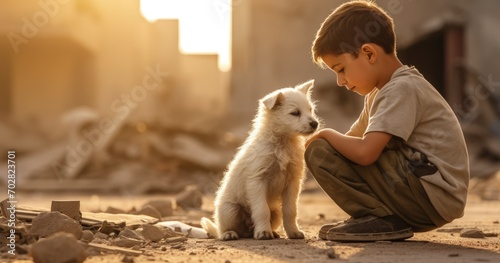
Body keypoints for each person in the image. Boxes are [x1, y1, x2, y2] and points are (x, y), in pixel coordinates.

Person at [305, 0, 469, 242]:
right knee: (324, 151)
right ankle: (380, 217)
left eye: (340, 69)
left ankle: (380, 218)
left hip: (432, 193)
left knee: (320, 149)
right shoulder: (379, 93)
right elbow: (350, 144)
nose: (340, 81)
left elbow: (365, 153)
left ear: (369, 53)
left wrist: (324, 134)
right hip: (423, 191)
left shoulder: (401, 88)